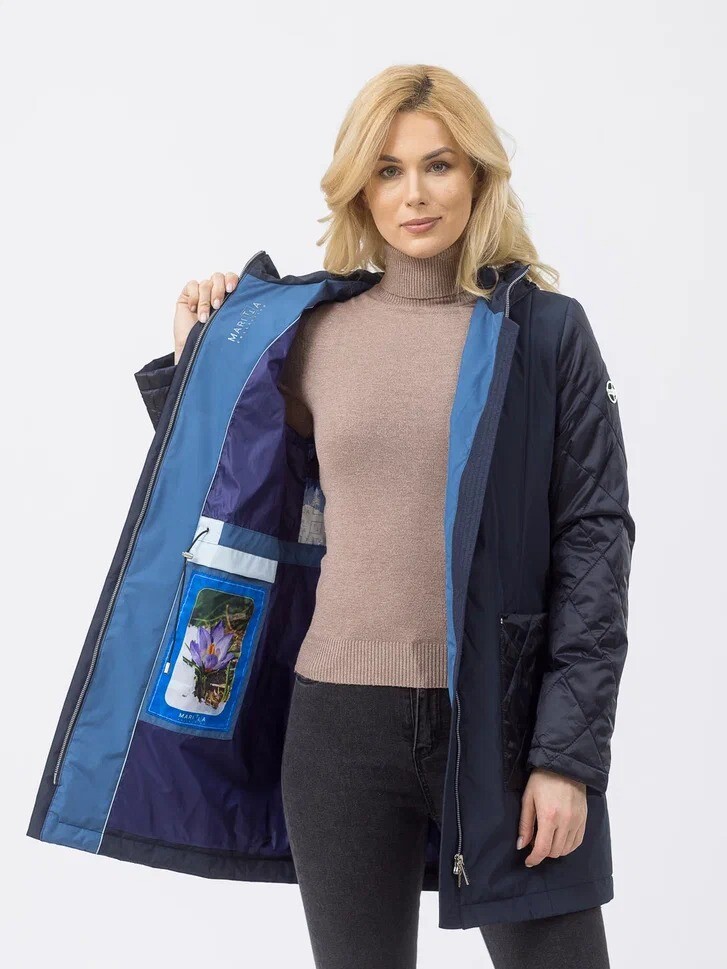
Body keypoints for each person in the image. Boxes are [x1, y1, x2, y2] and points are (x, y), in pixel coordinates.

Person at [135, 64, 633, 969]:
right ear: (359, 187)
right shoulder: (309, 332)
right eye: (388, 169)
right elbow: (234, 499)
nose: (414, 194)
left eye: (437, 165)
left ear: (476, 174)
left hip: (500, 723)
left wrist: (565, 758)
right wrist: (195, 365)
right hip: (337, 729)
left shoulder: (544, 334)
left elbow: (593, 546)